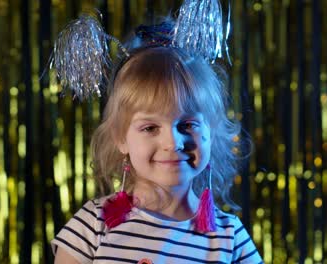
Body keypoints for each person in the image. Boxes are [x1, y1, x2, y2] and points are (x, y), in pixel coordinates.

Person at [50, 2, 263, 263]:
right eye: (150, 127)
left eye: (187, 125)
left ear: (211, 131)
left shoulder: (230, 238)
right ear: (120, 138)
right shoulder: (93, 226)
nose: (173, 143)